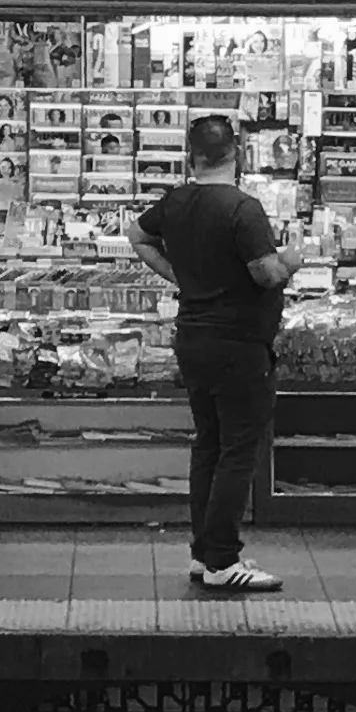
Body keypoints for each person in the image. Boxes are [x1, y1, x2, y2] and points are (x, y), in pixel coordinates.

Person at [127, 112, 306, 593]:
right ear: (238, 154)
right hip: (239, 345)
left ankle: (203, 552)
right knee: (238, 451)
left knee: (208, 444)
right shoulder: (242, 208)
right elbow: (266, 274)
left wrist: (177, 275)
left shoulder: (175, 201)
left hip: (194, 339)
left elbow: (136, 236)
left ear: (191, 156)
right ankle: (223, 561)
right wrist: (292, 260)